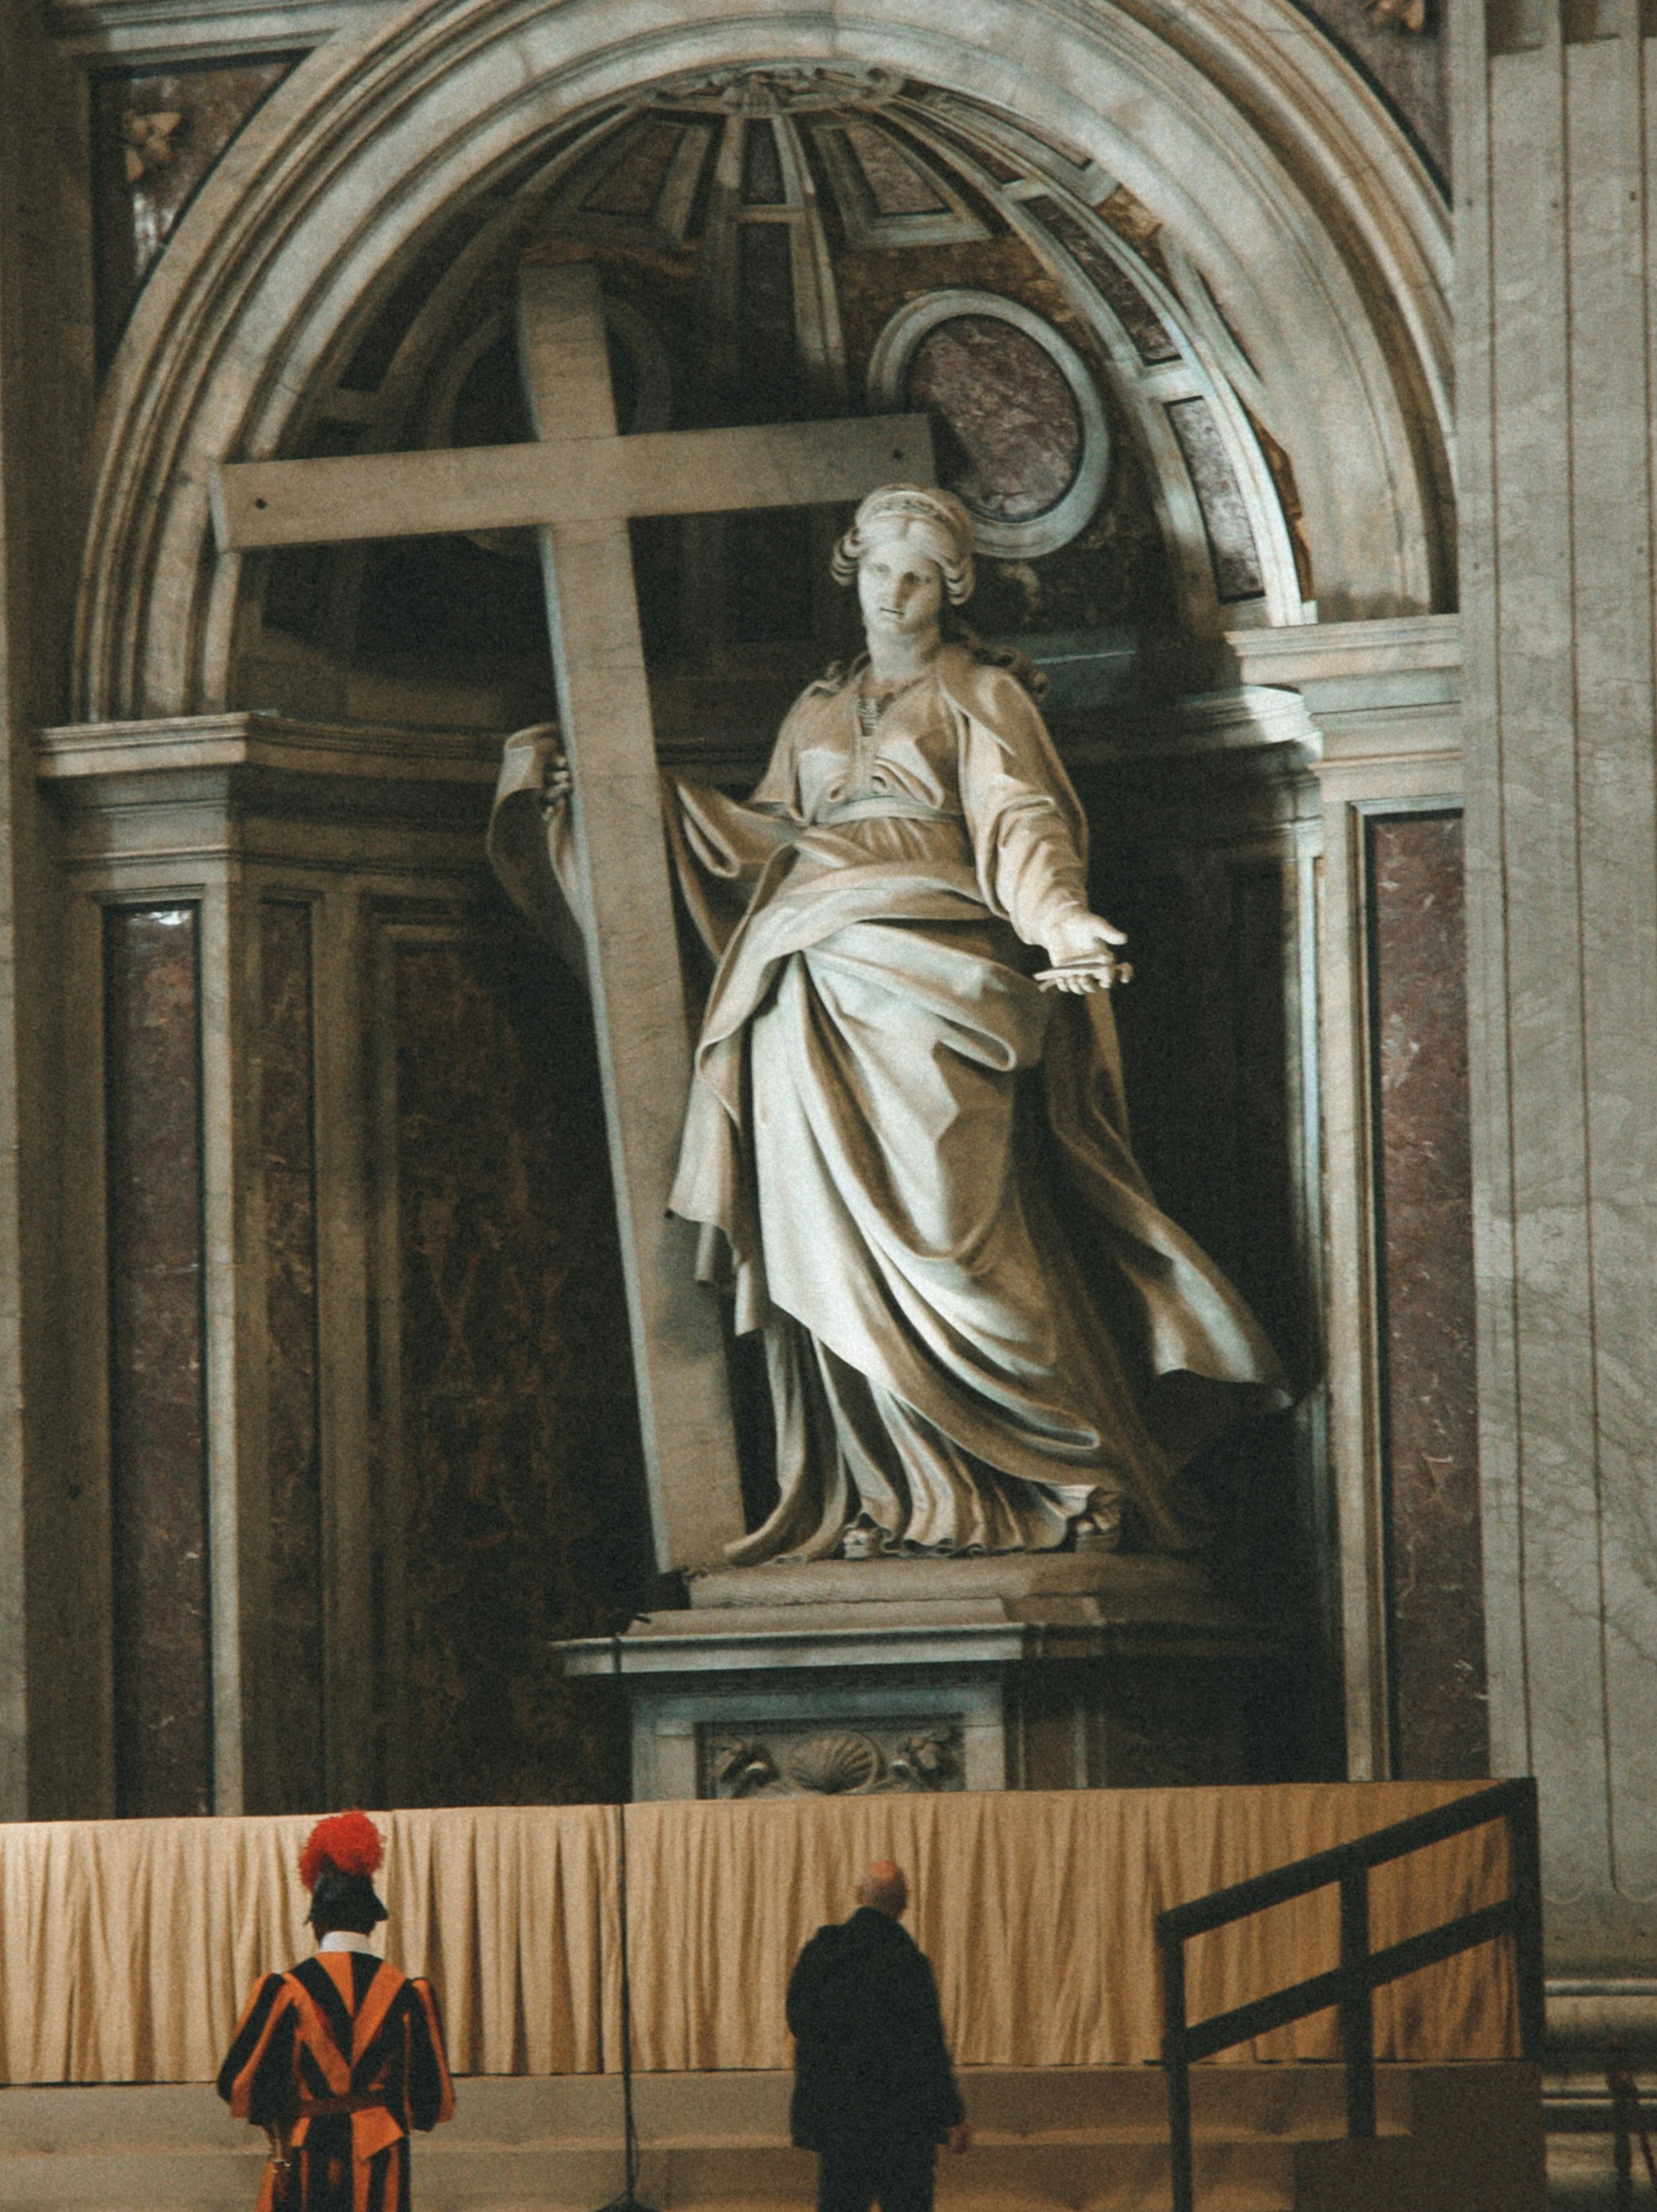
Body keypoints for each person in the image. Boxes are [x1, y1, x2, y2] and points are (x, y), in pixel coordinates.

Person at [490, 483, 1282, 1563]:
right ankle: (891, 1492)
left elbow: (1024, 822)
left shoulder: (982, 694)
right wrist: (629, 801)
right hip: (803, 984)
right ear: (851, 576)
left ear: (950, 590)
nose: (894, 593)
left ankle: (1059, 1464)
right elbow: (758, 838)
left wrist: (1059, 921)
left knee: (952, 1232)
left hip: (937, 973)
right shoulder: (815, 711)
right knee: (828, 1247)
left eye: (917, 575)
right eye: (878, 571)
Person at [217, 1812, 455, 2212]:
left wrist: (289, 2111)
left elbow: (237, 2084)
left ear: (317, 1921)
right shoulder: (408, 1993)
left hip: (307, 2149)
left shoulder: (284, 1989)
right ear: (373, 1921)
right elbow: (432, 2103)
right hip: (380, 2152)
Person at [785, 1859, 970, 2212]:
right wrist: (951, 2114)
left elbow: (799, 2020)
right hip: (899, 2124)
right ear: (904, 1903)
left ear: (858, 1895)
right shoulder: (907, 1961)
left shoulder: (822, 1951)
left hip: (841, 2118)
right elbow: (927, 2049)